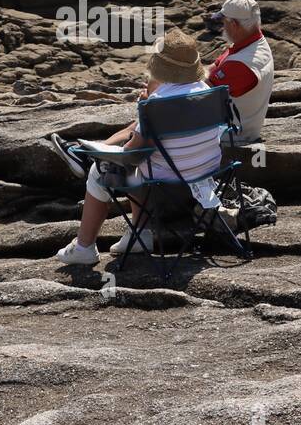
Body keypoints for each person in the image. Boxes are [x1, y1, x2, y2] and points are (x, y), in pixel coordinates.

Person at [49, 28, 224, 266]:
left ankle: (84, 247)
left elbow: (132, 154)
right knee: (141, 162)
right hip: (207, 175)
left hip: (167, 183)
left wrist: (144, 109)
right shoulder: (209, 92)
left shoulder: (157, 104)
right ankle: (139, 235)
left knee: (104, 169)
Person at [206, 0, 274, 143]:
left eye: (224, 22)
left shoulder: (242, 63)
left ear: (234, 25)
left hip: (232, 136)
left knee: (156, 125)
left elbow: (201, 89)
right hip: (235, 125)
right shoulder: (251, 44)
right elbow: (212, 69)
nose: (222, 27)